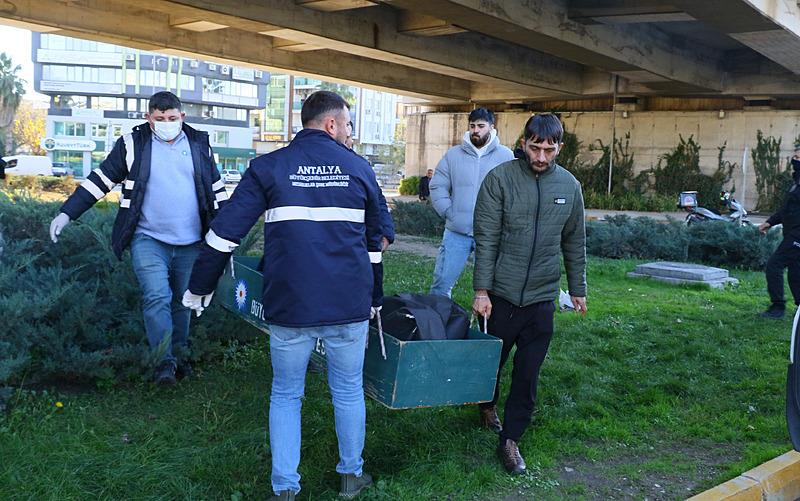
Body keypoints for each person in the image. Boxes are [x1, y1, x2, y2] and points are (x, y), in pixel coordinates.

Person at [182, 91, 383, 500]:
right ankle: (351, 476)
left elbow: (223, 235)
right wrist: (375, 297)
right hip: (348, 305)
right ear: (331, 124)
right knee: (347, 389)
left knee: (287, 394)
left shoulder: (267, 168)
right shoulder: (359, 169)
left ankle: (285, 489)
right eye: (347, 124)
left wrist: (199, 285)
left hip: (290, 306)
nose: (349, 132)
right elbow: (377, 241)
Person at [48, 91, 228, 385]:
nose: (167, 123)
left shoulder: (199, 144)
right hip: (148, 238)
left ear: (182, 117)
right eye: (159, 119)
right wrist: (66, 213)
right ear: (148, 118)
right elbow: (101, 180)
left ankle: (180, 356)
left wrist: (225, 234)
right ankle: (163, 363)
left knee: (184, 301)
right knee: (156, 296)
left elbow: (217, 192)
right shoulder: (132, 144)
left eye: (172, 118)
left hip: (192, 242)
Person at [472, 113, 587, 475]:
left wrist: (578, 288)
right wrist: (481, 290)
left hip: (541, 298)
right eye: (534, 148)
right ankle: (485, 404)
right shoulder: (500, 179)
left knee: (527, 373)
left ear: (559, 148)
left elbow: (574, 241)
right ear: (523, 144)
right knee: (491, 364)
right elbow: (486, 238)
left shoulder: (569, 187)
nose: (540, 157)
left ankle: (511, 439)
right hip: (500, 296)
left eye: (548, 150)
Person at [429, 107, 514, 297]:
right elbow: (438, 185)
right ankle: (437, 323)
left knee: (494, 288)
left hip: (491, 235)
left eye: (481, 126)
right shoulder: (453, 155)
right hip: (456, 232)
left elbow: (514, 193)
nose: (476, 130)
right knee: (441, 285)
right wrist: (448, 212)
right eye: (472, 126)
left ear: (492, 127)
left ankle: (488, 326)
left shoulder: (506, 157)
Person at [759, 150, 800, 318]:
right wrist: (770, 222)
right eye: (795, 157)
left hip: (797, 236)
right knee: (796, 271)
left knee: (774, 265)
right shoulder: (796, 183)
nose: (794, 160)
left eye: (798, 157)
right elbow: (786, 210)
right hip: (792, 233)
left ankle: (777, 307)